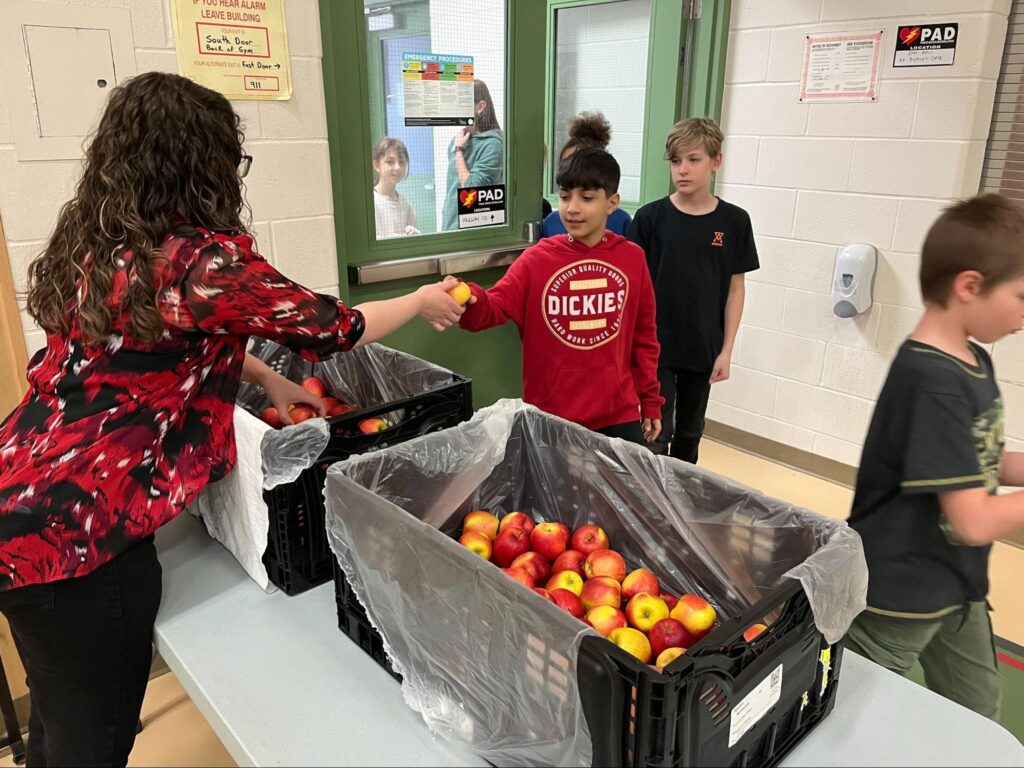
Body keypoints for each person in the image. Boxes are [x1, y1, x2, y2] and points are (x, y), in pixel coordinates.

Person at [0, 71, 464, 767]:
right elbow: (334, 327)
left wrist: (270, 377)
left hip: (20, 491)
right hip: (81, 535)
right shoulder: (202, 262)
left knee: (60, 720)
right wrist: (423, 297)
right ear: (204, 161)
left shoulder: (96, 241)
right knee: (90, 744)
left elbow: (155, 342)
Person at [844, 194, 1024, 722]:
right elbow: (973, 519)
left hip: (956, 585)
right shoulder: (933, 381)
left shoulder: (973, 360)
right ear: (969, 286)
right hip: (900, 593)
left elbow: (982, 459)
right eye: (1020, 296)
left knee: (976, 712)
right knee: (853, 715)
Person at [457, 147, 662, 444]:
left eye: (587, 198)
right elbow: (492, 308)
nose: (572, 208)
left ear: (612, 203)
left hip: (619, 413)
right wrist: (469, 298)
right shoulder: (536, 259)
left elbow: (645, 337)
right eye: (565, 197)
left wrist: (650, 398)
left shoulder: (632, 258)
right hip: (552, 416)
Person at [627, 117, 758, 463]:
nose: (682, 169)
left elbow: (735, 289)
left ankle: (683, 506)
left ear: (716, 161)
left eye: (693, 160)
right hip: (654, 348)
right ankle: (651, 507)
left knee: (689, 433)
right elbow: (632, 289)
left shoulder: (734, 222)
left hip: (702, 348)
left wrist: (726, 350)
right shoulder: (650, 219)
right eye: (675, 161)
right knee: (654, 434)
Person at [542, 111, 632, 238]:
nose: (574, 171)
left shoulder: (621, 221)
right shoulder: (551, 222)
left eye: (587, 198)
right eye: (567, 164)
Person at [441, 79, 505, 231]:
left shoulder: (493, 144)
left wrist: (458, 151)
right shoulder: (458, 139)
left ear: (480, 107)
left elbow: (472, 190)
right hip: (450, 229)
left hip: (474, 235)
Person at [372, 136, 419, 238]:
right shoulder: (370, 203)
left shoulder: (406, 206)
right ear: (376, 165)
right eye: (390, 162)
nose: (397, 167)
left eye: (401, 162)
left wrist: (414, 235)